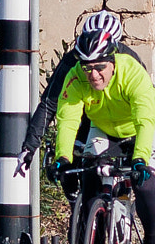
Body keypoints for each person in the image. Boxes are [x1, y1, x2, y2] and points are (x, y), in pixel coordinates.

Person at [50, 11, 155, 244]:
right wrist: (63, 158)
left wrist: (140, 160)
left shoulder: (131, 73)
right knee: (90, 175)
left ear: (112, 62)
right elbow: (67, 119)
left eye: (100, 67)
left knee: (145, 183)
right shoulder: (77, 77)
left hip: (144, 129)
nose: (93, 75)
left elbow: (145, 120)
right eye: (87, 67)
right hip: (104, 129)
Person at [17, 18, 146, 173]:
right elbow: (50, 103)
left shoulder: (129, 59)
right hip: (90, 116)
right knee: (78, 164)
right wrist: (29, 147)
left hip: (127, 118)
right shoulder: (73, 60)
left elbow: (146, 105)